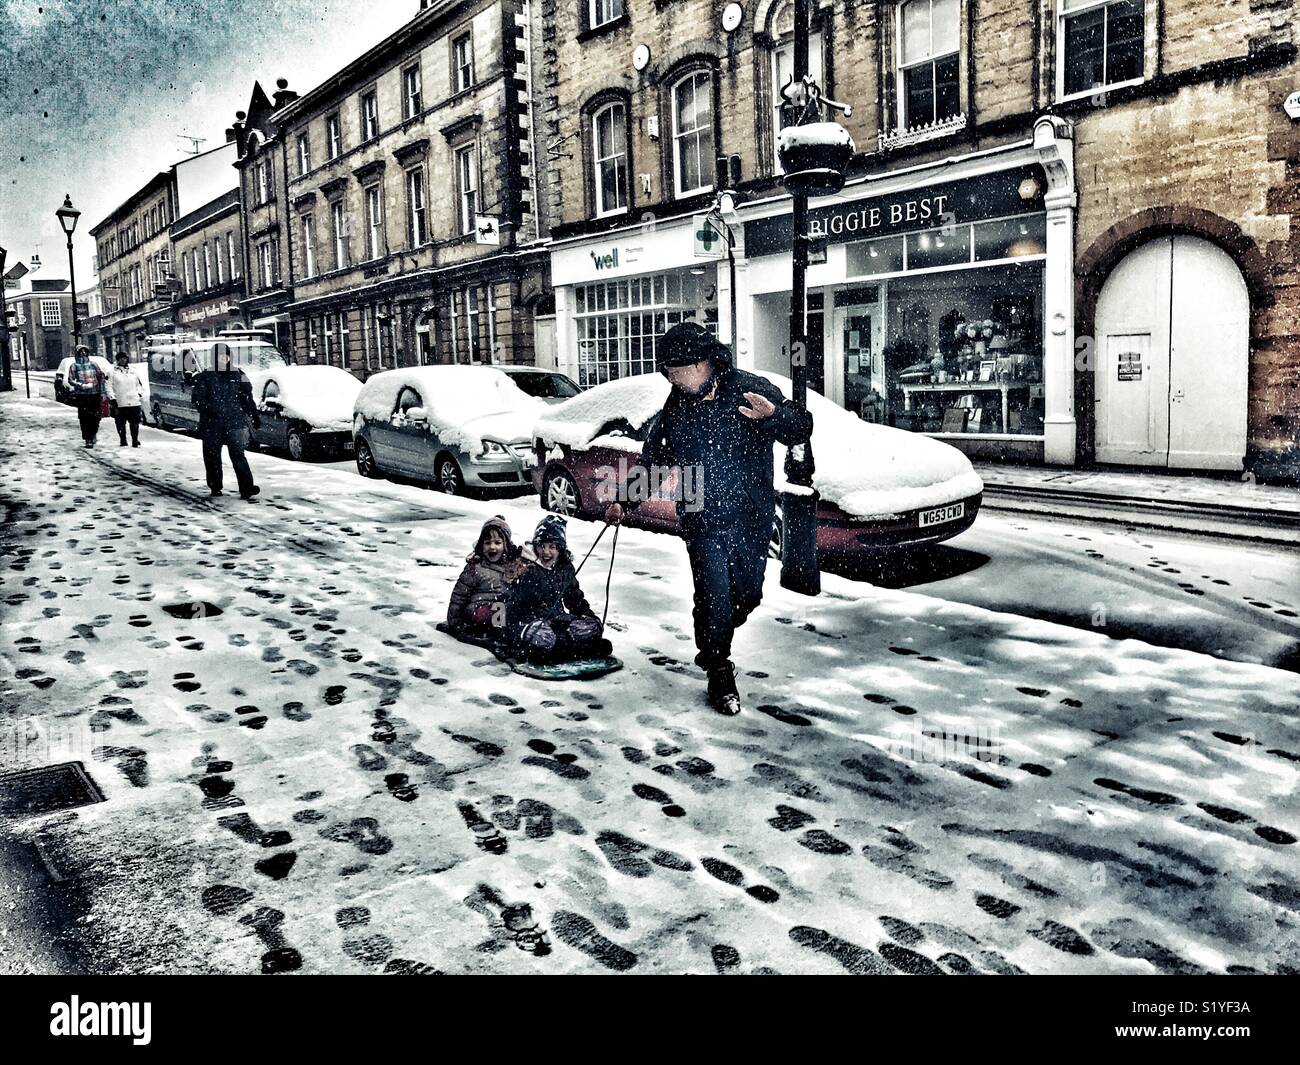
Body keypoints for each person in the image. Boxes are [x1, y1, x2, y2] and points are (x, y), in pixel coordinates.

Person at [605, 321, 813, 716]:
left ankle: (716, 635)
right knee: (714, 596)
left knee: (747, 595)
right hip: (700, 518)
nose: (673, 379)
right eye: (667, 373)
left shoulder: (748, 389)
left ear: (703, 363)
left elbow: (801, 426)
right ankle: (718, 668)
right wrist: (624, 500)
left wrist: (773, 418)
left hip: (750, 517)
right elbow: (655, 460)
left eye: (677, 371)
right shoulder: (676, 406)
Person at [506, 515, 611, 663]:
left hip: (558, 621)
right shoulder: (527, 570)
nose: (546, 552)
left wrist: (589, 618)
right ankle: (561, 650)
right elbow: (514, 607)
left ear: (560, 549)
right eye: (542, 546)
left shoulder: (564, 569)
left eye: (552, 547)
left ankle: (567, 647)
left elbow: (574, 598)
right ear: (535, 546)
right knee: (544, 636)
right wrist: (517, 632)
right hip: (532, 622)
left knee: (591, 627)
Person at [191, 347, 262, 499]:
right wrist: (211, 410)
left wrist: (254, 414)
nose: (225, 359)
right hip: (212, 424)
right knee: (212, 456)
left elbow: (247, 396)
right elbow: (197, 400)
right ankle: (215, 486)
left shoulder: (239, 374)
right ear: (214, 358)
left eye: (227, 356)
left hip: (234, 422)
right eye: (221, 356)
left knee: (238, 454)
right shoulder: (204, 377)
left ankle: (247, 488)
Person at [446, 516, 527, 638]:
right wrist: (455, 622)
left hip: (504, 610)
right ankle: (499, 632)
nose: (492, 547)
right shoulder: (475, 568)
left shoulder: (513, 566)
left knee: (515, 610)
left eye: (498, 543)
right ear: (481, 546)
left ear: (506, 545)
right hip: (478, 609)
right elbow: (459, 596)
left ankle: (511, 631)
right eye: (487, 543)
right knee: (497, 612)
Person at [65, 345, 107, 448]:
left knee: (96, 416)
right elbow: (71, 380)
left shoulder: (93, 365)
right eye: (81, 352)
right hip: (82, 396)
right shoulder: (74, 366)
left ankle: (93, 433)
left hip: (95, 394)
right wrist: (82, 385)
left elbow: (101, 378)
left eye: (85, 352)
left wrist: (103, 392)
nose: (83, 354)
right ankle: (88, 438)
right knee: (85, 418)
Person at [107, 350, 144, 447]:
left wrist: (139, 393)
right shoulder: (112, 372)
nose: (123, 361)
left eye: (124, 358)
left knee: (135, 422)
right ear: (117, 360)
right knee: (120, 423)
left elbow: (139, 384)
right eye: (120, 359)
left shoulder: (133, 370)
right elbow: (108, 386)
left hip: (134, 401)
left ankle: (135, 440)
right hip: (120, 401)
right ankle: (123, 440)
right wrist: (112, 398)